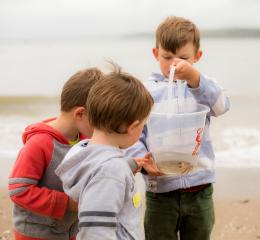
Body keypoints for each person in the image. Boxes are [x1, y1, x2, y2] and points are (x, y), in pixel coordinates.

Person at [127, 16, 230, 240]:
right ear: (156, 53)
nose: (174, 63)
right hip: (161, 190)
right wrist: (143, 162)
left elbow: (222, 106)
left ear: (197, 57)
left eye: (183, 57)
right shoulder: (146, 91)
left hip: (200, 188)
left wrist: (195, 78)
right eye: (167, 57)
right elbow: (133, 134)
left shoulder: (201, 88)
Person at [56, 63, 159, 240]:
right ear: (132, 127)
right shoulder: (111, 171)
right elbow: (95, 231)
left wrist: (130, 164)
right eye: (143, 125)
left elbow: (98, 177)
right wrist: (120, 169)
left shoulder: (83, 151)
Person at [8, 68, 103, 240]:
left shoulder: (84, 139)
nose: (104, 126)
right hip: (35, 234)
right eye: (101, 119)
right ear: (80, 113)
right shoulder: (39, 143)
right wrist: (68, 203)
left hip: (69, 231)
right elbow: (19, 190)